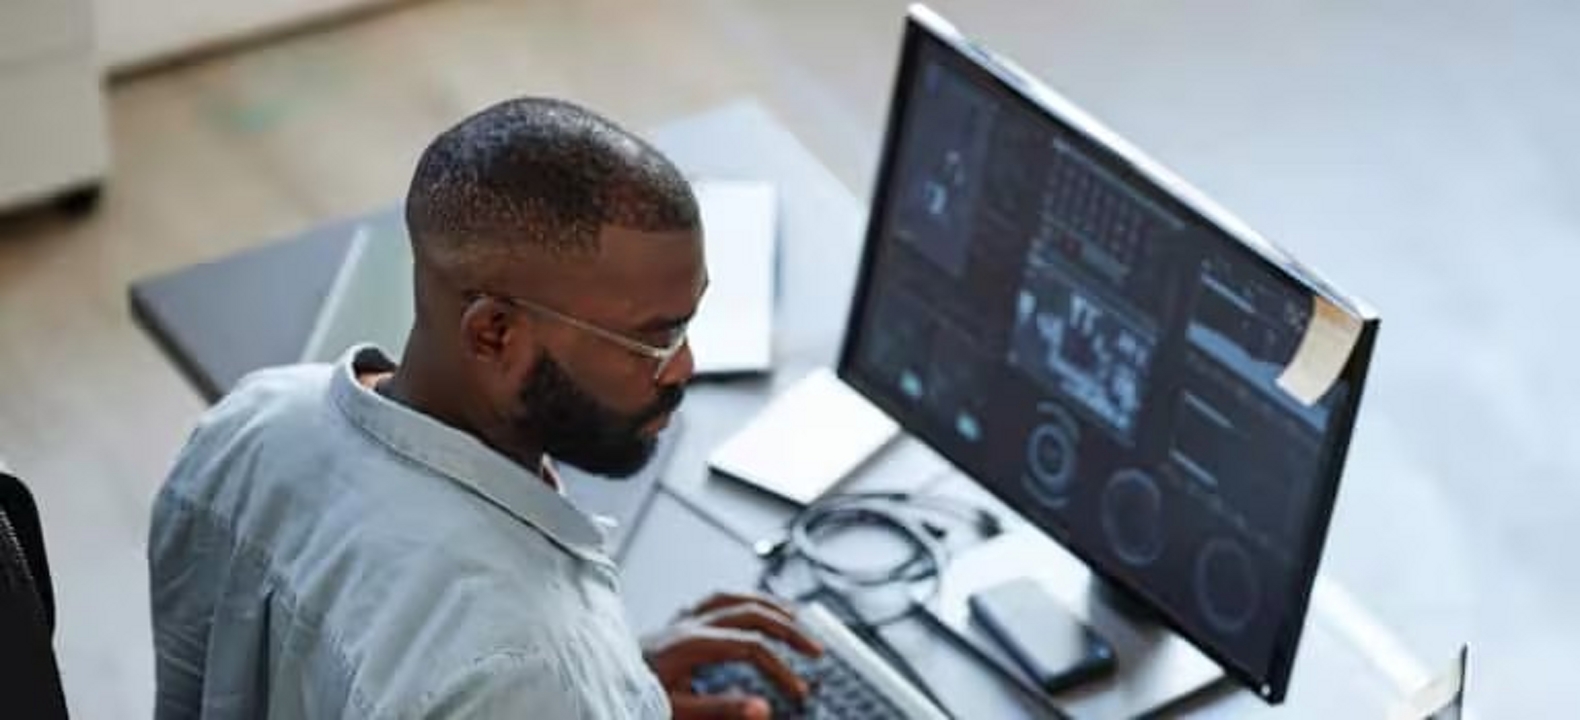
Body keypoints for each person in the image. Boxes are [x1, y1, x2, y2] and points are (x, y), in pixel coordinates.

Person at [148, 97, 819, 719]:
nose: (685, 367)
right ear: (494, 332)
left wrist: (617, 686)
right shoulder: (518, 668)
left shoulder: (250, 421)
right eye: (655, 338)